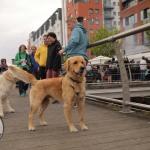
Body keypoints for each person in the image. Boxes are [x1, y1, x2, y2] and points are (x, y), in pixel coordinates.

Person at [46, 32, 62, 104]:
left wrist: (55, 68)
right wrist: (47, 67)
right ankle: (50, 95)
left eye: (50, 38)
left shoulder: (57, 45)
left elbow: (58, 57)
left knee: (55, 83)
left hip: (55, 66)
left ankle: (57, 97)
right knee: (48, 81)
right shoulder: (49, 46)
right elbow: (48, 58)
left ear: (54, 37)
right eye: (48, 38)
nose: (48, 39)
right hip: (50, 66)